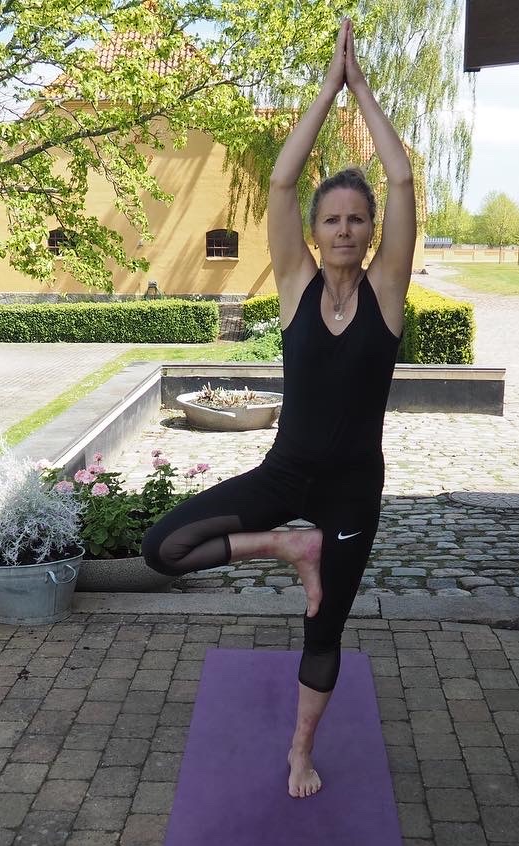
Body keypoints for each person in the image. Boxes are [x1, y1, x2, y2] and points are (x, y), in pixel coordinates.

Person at [142, 18, 415, 798]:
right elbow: (280, 185)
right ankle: (288, 548)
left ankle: (301, 750)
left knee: (325, 629)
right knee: (166, 547)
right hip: (285, 476)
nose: (342, 229)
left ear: (369, 234)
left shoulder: (385, 293)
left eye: (355, 220)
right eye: (332, 219)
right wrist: (327, 90)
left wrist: (363, 90)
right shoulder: (294, 285)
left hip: (355, 490)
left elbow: (400, 181)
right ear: (316, 231)